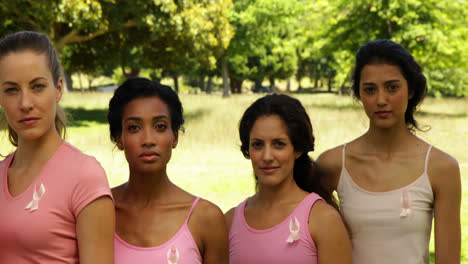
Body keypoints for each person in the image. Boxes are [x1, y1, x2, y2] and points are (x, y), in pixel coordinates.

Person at [318, 39, 461, 264]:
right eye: (370, 90)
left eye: (392, 87)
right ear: (358, 94)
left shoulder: (441, 168)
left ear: (411, 90)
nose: (381, 100)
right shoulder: (332, 164)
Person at [0, 31, 114, 263]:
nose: (25, 103)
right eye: (11, 90)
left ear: (59, 89)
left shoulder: (84, 176)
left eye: (38, 86)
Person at [108, 77, 229, 264]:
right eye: (134, 128)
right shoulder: (99, 211)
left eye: (160, 126)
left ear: (175, 137)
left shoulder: (206, 219)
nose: (148, 139)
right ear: (119, 139)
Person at [225, 94, 351, 264]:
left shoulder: (322, 219)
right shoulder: (230, 221)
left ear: (298, 149)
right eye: (257, 144)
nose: (267, 156)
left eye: (279, 144)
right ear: (247, 150)